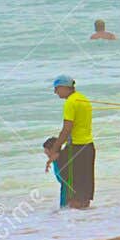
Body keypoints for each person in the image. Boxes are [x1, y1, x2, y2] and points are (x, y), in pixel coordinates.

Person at [52, 76, 94, 209]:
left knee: (72, 186)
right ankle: (85, 223)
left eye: (57, 88)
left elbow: (67, 128)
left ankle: (71, 221)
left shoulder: (70, 102)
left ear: (65, 87)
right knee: (84, 187)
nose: (55, 92)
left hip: (76, 147)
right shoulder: (83, 99)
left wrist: (55, 148)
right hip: (88, 146)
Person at [43, 137, 69, 208]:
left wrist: (48, 162)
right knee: (64, 207)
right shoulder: (55, 158)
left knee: (65, 205)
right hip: (64, 185)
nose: (45, 152)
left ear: (52, 149)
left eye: (46, 150)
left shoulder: (59, 156)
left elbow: (56, 155)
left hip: (66, 186)